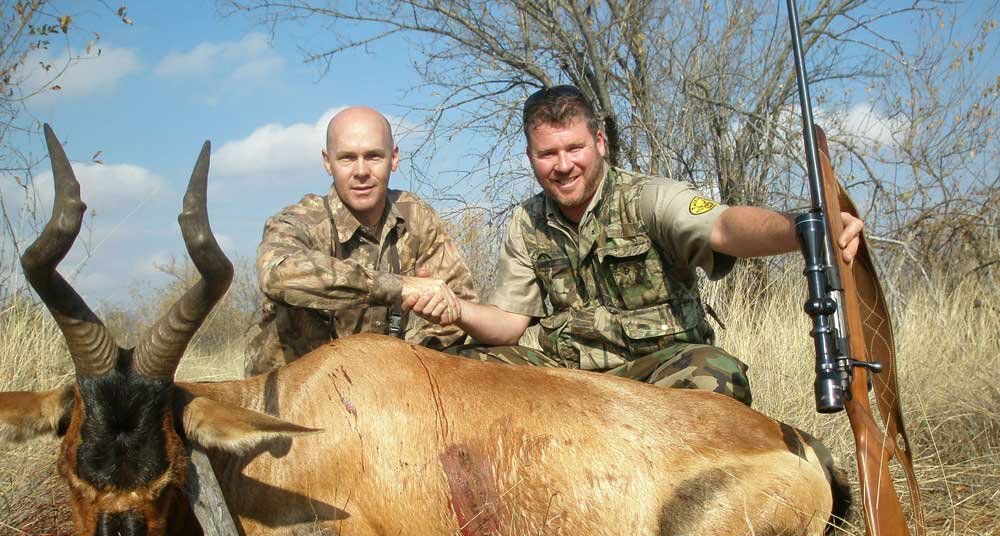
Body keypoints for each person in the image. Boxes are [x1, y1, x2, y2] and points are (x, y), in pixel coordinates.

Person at [403, 86, 864, 406]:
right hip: (566, 378)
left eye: (575, 148)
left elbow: (723, 227)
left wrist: (803, 229)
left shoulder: (649, 198)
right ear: (530, 157)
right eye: (547, 154)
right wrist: (458, 309)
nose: (563, 165)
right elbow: (506, 324)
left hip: (656, 370)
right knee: (455, 368)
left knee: (715, 375)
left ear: (599, 142)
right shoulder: (526, 222)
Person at [245, 106, 477, 376]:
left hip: (382, 391)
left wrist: (401, 365)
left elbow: (458, 308)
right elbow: (277, 274)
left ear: (394, 158)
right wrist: (400, 287)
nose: (361, 171)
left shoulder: (416, 217)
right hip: (295, 396)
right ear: (327, 162)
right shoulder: (301, 220)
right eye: (347, 158)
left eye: (373, 156)